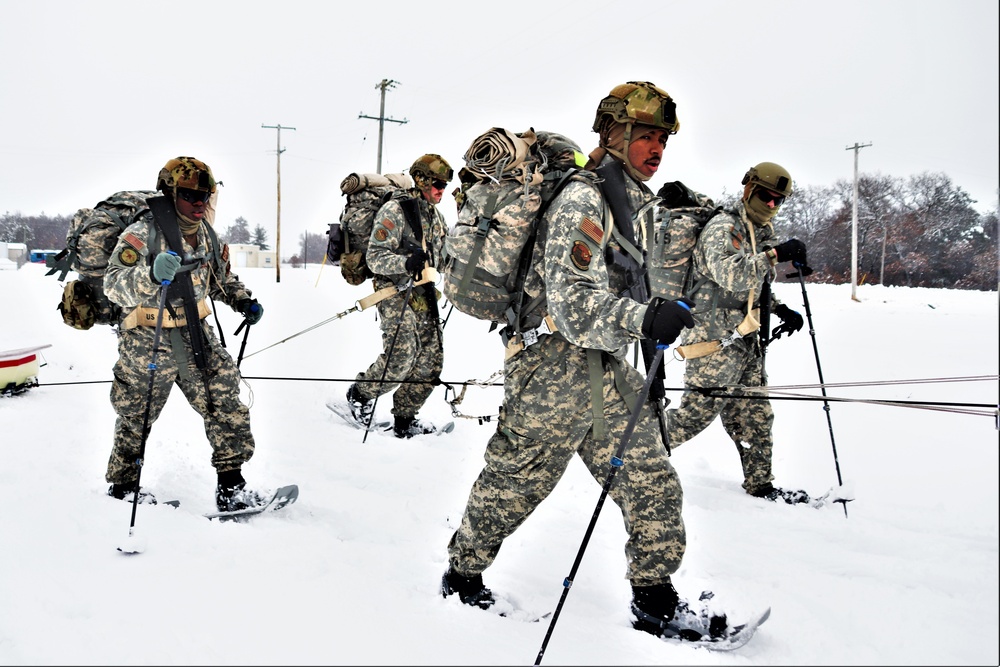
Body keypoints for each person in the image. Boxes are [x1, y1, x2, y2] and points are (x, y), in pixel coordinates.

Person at [441, 82, 709, 640]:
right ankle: (462, 576)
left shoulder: (631, 201)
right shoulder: (584, 199)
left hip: (604, 366)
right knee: (517, 482)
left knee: (651, 479)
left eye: (662, 138)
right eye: (645, 136)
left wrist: (651, 319)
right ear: (614, 133)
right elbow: (568, 305)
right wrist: (643, 319)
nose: (656, 147)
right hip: (552, 369)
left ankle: (655, 601)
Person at [103, 156, 267, 512]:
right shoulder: (142, 232)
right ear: (171, 192)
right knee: (136, 415)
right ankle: (123, 488)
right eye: (191, 196)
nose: (199, 204)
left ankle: (231, 486)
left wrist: (242, 301)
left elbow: (220, 279)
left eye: (205, 196)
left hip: (195, 331)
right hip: (147, 336)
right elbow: (113, 286)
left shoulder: (206, 232)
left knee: (225, 401)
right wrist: (148, 274)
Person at [666, 161, 811, 504]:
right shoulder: (724, 228)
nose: (771, 205)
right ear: (748, 188)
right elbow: (731, 275)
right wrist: (776, 254)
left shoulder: (756, 233)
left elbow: (749, 288)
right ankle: (626, 451)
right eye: (765, 196)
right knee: (693, 416)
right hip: (713, 341)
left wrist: (778, 308)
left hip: (746, 341)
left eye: (779, 201)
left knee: (756, 415)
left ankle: (761, 484)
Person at [344, 154, 453, 438]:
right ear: (421, 180)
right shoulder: (395, 210)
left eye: (445, 185)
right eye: (437, 183)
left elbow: (443, 258)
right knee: (401, 356)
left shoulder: (435, 216)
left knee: (431, 361)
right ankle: (360, 394)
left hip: (422, 291)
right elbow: (375, 257)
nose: (442, 190)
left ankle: (405, 419)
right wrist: (405, 263)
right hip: (393, 291)